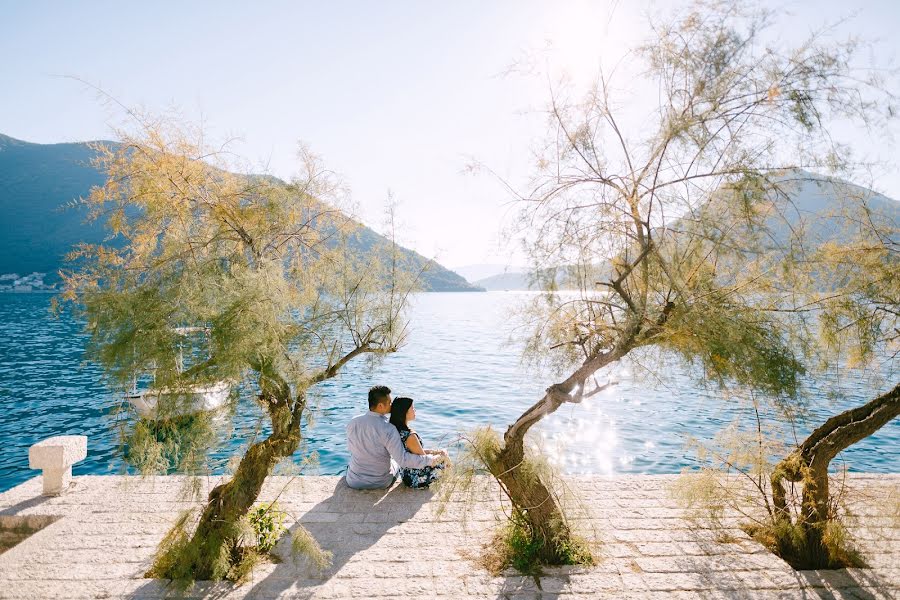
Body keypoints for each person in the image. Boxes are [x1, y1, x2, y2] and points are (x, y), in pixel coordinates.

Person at [345, 385, 444, 489]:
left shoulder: (353, 422)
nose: (392, 405)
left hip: (353, 481)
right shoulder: (388, 429)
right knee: (395, 461)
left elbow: (351, 449)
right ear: (380, 406)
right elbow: (403, 460)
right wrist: (430, 460)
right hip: (380, 482)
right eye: (389, 403)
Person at [389, 396, 448, 489]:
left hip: (406, 474)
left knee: (441, 453)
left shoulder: (396, 430)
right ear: (404, 412)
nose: (415, 410)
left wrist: (435, 451)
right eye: (412, 408)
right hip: (416, 478)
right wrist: (442, 454)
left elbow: (414, 451)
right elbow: (423, 458)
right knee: (444, 457)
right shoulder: (410, 436)